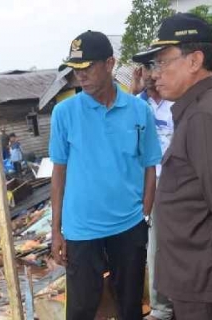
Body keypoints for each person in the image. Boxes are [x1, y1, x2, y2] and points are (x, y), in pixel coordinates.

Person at [135, 13, 212, 319]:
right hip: (198, 277)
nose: (154, 73)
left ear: (195, 61)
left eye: (162, 62)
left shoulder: (204, 116)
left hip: (208, 283)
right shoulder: (206, 106)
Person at [49, 30, 162, 320]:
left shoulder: (139, 110)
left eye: (87, 68)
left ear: (110, 63)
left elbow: (150, 165)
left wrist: (145, 215)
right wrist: (56, 230)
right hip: (81, 230)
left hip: (129, 227)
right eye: (76, 70)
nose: (81, 76)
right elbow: (58, 172)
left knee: (129, 306)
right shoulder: (64, 113)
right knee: (81, 309)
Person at [131, 55, 175, 320]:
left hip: (181, 183)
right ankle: (161, 308)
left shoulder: (177, 102)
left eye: (154, 65)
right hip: (149, 186)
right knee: (155, 248)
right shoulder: (134, 107)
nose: (150, 73)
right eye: (146, 67)